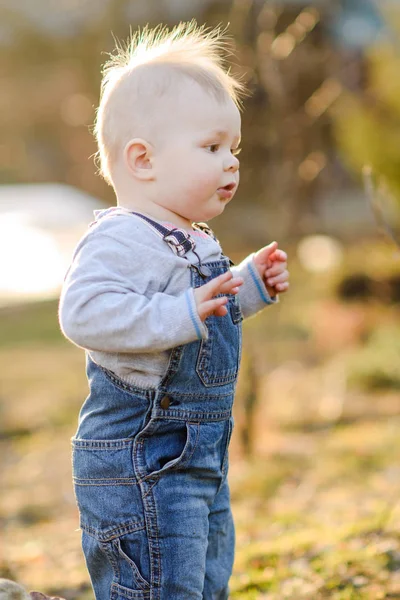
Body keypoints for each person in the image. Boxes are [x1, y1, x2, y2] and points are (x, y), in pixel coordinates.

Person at [59, 20, 289, 600]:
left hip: (199, 453)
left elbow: (198, 317)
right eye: (212, 148)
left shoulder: (189, 237)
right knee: (160, 585)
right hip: (141, 461)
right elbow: (83, 313)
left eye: (232, 149)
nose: (232, 163)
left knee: (204, 579)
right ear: (143, 160)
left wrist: (248, 287)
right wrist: (185, 311)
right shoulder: (121, 238)